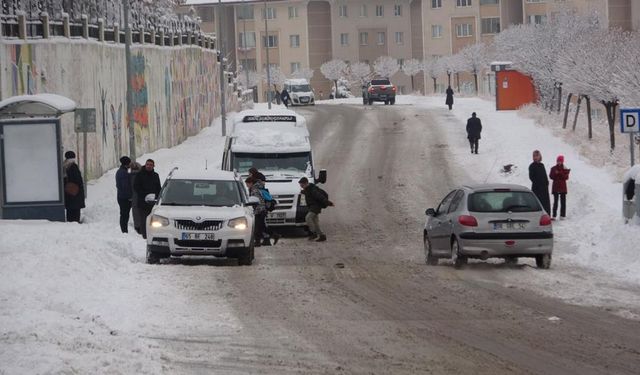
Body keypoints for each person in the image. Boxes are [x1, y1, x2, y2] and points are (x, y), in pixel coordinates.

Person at [298, 177, 333, 242]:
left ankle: (314, 233)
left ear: (306, 183)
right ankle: (322, 236)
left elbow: (320, 197)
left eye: (302, 185)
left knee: (308, 218)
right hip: (312, 207)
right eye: (300, 185)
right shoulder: (307, 189)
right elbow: (306, 192)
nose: (301, 186)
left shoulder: (313, 190)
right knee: (315, 223)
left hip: (315, 207)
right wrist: (302, 192)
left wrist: (328, 203)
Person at [134, 159, 161, 238]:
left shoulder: (156, 175)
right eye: (147, 164)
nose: (149, 166)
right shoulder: (139, 175)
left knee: (154, 220)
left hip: (153, 203)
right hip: (143, 202)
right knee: (144, 220)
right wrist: (145, 195)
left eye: (150, 165)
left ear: (153, 166)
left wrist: (156, 196)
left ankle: (154, 235)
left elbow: (158, 188)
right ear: (145, 165)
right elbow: (136, 187)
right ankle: (145, 236)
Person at [246, 176, 271, 247]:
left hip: (259, 210)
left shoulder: (254, 190)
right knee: (261, 226)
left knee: (257, 227)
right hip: (262, 210)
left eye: (247, 184)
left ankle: (258, 241)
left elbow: (257, 201)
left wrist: (256, 210)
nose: (247, 186)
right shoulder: (258, 188)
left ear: (251, 183)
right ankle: (266, 240)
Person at [62, 151, 85, 223]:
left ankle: (70, 221)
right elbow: (78, 180)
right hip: (75, 192)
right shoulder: (74, 166)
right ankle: (75, 221)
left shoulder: (64, 166)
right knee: (75, 210)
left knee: (70, 209)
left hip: (68, 192)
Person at [528, 150, 551, 215]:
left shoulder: (542, 165)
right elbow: (531, 177)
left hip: (544, 188)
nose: (535, 157)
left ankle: (547, 216)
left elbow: (545, 175)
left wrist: (546, 183)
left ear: (540, 156)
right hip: (537, 188)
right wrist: (538, 184)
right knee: (538, 203)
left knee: (545, 203)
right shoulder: (532, 166)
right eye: (534, 156)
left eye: (537, 156)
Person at [549, 155, 570, 220]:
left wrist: (559, 173)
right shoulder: (553, 168)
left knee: (563, 202)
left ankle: (562, 215)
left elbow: (566, 177)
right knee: (555, 202)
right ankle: (554, 215)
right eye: (558, 161)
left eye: (560, 161)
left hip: (563, 187)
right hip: (556, 187)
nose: (559, 162)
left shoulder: (565, 169)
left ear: (562, 161)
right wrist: (555, 174)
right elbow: (551, 176)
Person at [116, 156, 132, 233]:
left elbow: (129, 172)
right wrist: (130, 197)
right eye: (129, 163)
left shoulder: (123, 170)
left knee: (125, 214)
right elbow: (125, 186)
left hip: (122, 197)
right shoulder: (123, 173)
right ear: (127, 164)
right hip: (124, 198)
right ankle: (124, 231)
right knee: (124, 214)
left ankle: (124, 230)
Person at [129, 161, 143, 234]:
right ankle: (140, 226)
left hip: (134, 197)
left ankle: (137, 226)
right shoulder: (141, 176)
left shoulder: (130, 176)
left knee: (135, 211)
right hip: (140, 197)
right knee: (141, 211)